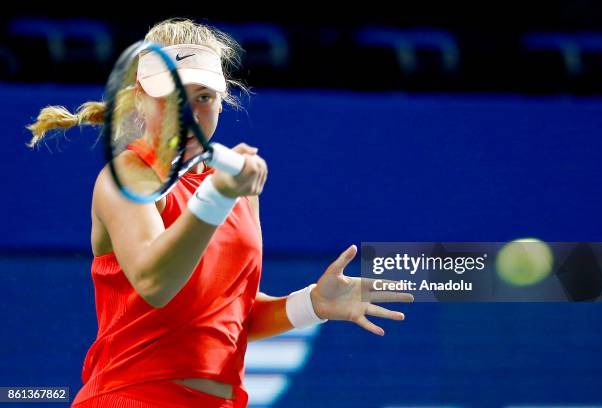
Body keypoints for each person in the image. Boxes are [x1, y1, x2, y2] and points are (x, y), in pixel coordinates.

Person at [27, 18, 413, 408]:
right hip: (131, 397)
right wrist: (216, 197)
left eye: (204, 98)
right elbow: (154, 283)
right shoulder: (126, 177)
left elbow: (227, 317)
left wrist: (312, 304)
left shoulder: (236, 188)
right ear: (140, 98)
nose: (189, 114)